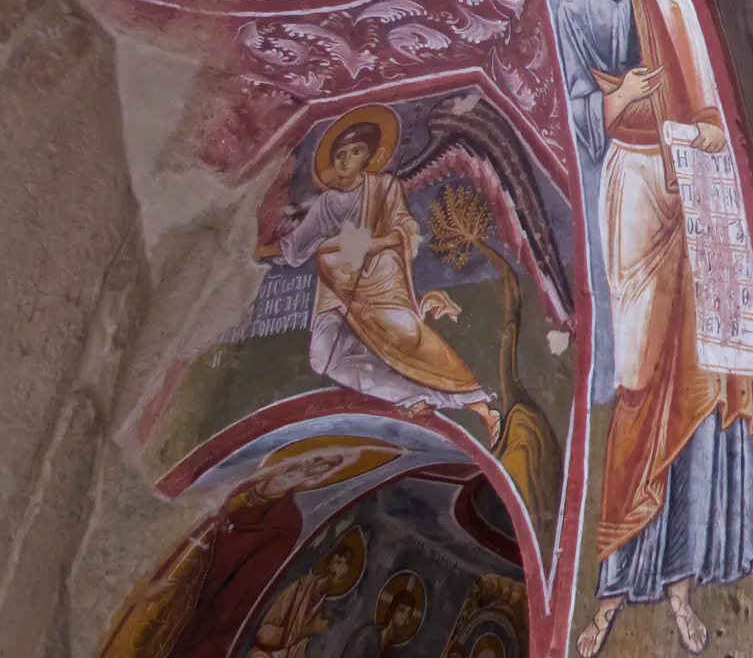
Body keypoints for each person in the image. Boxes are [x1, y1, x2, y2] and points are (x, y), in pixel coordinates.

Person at [547, 0, 753, 657]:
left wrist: (706, 130)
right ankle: (614, 577)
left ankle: (683, 577)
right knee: (638, 375)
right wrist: (615, 100)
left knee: (704, 365)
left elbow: (712, 107)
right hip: (633, 190)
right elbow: (576, 109)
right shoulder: (573, 9)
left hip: (696, 189)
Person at [268, 120, 499, 441]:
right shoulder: (324, 204)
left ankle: (474, 402)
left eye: (356, 152)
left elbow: (406, 229)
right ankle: (416, 398)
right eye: (341, 154)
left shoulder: (383, 188)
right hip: (335, 289)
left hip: (380, 281)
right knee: (325, 359)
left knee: (408, 341)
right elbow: (294, 249)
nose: (347, 160)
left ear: (368, 157)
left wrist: (371, 244)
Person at [98, 446, 369, 658]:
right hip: (183, 572)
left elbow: (249, 584)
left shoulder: (288, 521)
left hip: (210, 593)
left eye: (316, 470)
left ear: (315, 480)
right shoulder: (242, 484)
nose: (307, 468)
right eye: (312, 460)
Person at [244, 532, 362, 658]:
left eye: (345, 567)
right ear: (328, 563)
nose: (340, 570)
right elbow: (263, 635)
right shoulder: (299, 588)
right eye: (338, 562)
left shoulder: (327, 609)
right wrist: (304, 631)